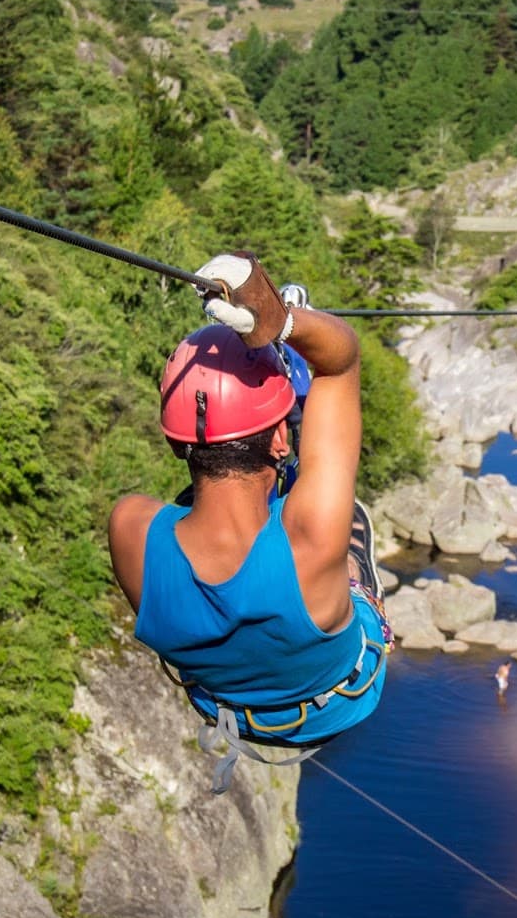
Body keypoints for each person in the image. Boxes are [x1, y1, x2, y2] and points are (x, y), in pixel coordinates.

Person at [107, 252, 391, 792]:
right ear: (280, 438)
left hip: (231, 704)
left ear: (176, 441)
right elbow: (343, 357)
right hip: (344, 694)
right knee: (341, 521)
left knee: (241, 512)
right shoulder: (313, 535)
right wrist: (285, 321)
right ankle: (292, 401)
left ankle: (276, 412)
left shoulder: (130, 529)